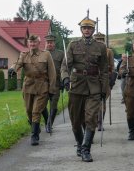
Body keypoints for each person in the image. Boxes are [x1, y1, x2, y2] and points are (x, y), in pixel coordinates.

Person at [61, 15, 108, 162]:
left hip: (94, 86)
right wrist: (65, 78)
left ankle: (86, 149)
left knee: (91, 118)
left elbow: (105, 70)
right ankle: (80, 145)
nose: (87, 30)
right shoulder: (73, 45)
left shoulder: (100, 47)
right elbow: (65, 66)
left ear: (93, 30)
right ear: (81, 30)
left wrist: (104, 89)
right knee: (76, 121)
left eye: (89, 28)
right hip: (76, 86)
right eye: (84, 28)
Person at [10, 34, 58, 146]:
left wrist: (52, 89)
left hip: (42, 87)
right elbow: (17, 64)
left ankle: (34, 136)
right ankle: (36, 128)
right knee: (28, 110)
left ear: (39, 43)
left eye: (34, 42)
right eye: (30, 42)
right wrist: (12, 69)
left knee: (36, 111)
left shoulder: (46, 55)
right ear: (28, 44)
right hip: (28, 86)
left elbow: (52, 72)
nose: (32, 44)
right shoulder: (24, 54)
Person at [93, 32, 116, 131]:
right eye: (97, 39)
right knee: (93, 103)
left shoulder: (108, 51)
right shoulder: (90, 51)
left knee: (102, 103)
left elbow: (112, 67)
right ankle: (92, 122)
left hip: (104, 80)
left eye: (101, 39)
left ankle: (100, 122)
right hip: (93, 80)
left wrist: (111, 79)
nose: (99, 41)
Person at [43, 33, 65, 133]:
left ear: (54, 43)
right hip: (43, 84)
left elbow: (64, 68)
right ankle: (47, 121)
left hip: (56, 83)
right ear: (45, 43)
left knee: (53, 105)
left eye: (51, 42)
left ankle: (49, 125)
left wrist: (63, 81)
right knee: (42, 105)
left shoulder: (60, 54)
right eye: (48, 42)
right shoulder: (41, 53)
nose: (49, 44)